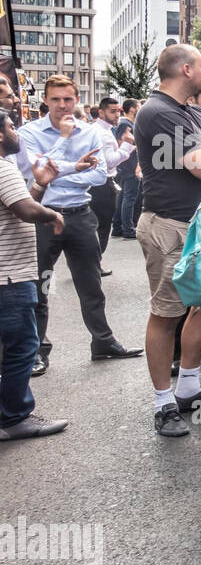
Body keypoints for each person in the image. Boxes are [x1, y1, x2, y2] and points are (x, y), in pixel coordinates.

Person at [134, 44, 201, 436]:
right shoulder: (157, 111)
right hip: (168, 225)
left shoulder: (194, 112)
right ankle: (164, 405)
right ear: (184, 69)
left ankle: (189, 387)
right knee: (166, 316)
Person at [14, 75, 142, 376]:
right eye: (56, 99)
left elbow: (99, 177)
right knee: (41, 285)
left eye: (68, 99)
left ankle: (103, 342)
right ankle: (37, 350)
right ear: (45, 100)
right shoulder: (29, 132)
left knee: (91, 284)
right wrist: (65, 143)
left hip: (80, 214)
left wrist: (57, 172)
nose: (62, 105)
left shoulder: (89, 132)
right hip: (43, 214)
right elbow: (33, 173)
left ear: (77, 100)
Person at [0, 110, 69, 440]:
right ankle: (14, 418)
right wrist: (52, 213)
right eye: (12, 126)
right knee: (22, 346)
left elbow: (22, 201)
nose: (17, 132)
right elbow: (25, 210)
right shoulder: (2, 167)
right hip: (9, 277)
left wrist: (40, 184)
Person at [90, 96, 135, 261]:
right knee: (102, 227)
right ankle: (95, 263)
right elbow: (110, 161)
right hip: (103, 183)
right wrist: (127, 146)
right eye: (112, 111)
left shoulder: (102, 130)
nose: (117, 115)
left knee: (98, 226)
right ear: (101, 112)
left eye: (118, 111)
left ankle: (93, 263)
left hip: (99, 183)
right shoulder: (103, 133)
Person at [111, 98, 141, 239]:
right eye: (138, 106)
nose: (140, 108)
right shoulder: (125, 124)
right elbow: (120, 142)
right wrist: (133, 145)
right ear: (132, 109)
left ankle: (118, 227)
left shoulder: (127, 123)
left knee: (124, 197)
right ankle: (128, 229)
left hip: (127, 165)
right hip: (129, 165)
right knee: (129, 198)